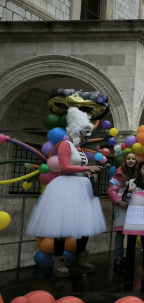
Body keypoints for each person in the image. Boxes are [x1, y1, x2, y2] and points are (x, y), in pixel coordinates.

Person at [26, 107, 105, 278]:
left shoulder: (80, 149)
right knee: (61, 225)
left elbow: (78, 167)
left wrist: (89, 173)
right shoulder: (65, 145)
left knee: (85, 224)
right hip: (66, 187)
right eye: (84, 133)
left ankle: (80, 259)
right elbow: (64, 167)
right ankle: (59, 262)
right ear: (77, 131)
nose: (86, 136)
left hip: (82, 187)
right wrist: (87, 168)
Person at [108, 151, 138, 272]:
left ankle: (130, 260)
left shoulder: (139, 173)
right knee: (120, 235)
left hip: (134, 207)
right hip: (121, 207)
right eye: (128, 158)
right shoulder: (118, 174)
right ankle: (118, 259)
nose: (131, 161)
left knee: (132, 235)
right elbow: (111, 190)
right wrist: (118, 201)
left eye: (133, 159)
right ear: (125, 160)